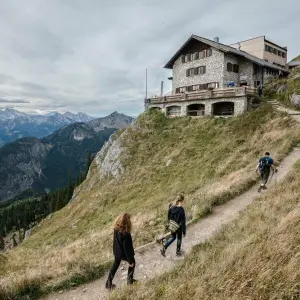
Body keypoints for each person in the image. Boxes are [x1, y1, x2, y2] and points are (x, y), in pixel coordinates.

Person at [105, 213, 137, 290]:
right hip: (123, 253)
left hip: (116, 251)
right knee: (133, 263)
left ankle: (108, 283)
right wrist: (130, 261)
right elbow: (127, 249)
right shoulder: (126, 233)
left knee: (115, 264)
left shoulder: (116, 228)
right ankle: (130, 281)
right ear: (127, 222)